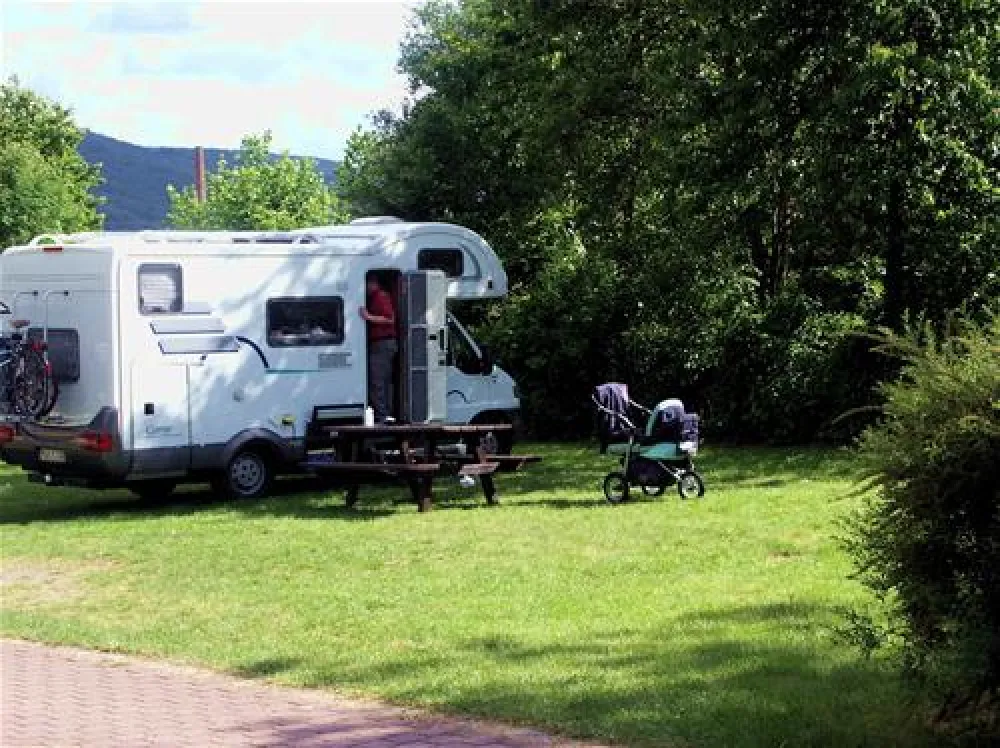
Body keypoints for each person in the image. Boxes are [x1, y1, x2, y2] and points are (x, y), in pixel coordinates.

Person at [360, 276, 397, 422]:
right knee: (383, 381)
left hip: (382, 343)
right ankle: (385, 413)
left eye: (367, 283)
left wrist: (368, 317)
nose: (366, 287)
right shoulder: (376, 297)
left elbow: (390, 318)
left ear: (373, 283)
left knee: (378, 381)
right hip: (383, 344)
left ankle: (382, 416)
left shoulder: (380, 297)